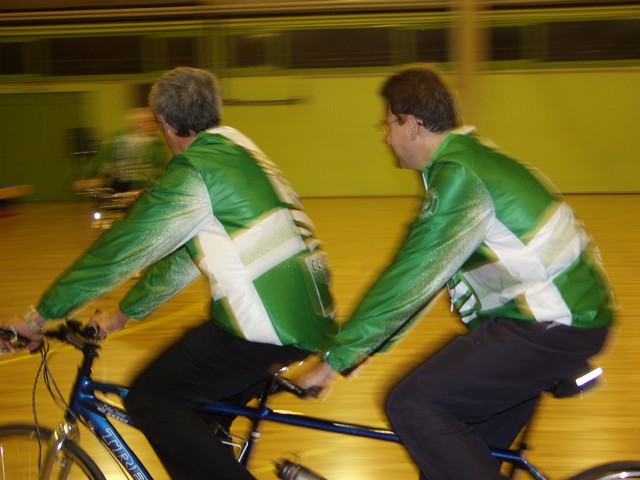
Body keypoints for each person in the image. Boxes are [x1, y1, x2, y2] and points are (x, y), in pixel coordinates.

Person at [2, 66, 338, 480]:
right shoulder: (240, 148)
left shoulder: (194, 172)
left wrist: (38, 318)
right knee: (197, 423)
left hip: (261, 329)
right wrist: (123, 314)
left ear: (162, 121)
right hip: (310, 321)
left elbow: (119, 251)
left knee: (150, 400)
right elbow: (185, 258)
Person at [304, 66, 615, 480]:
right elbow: (429, 279)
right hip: (556, 320)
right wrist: (362, 349)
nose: (385, 137)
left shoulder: (460, 174)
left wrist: (337, 357)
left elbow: (412, 276)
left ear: (412, 124)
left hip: (548, 324)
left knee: (413, 405)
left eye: (387, 125)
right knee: (447, 463)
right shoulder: (471, 160)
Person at [74, 107, 170, 193]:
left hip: (141, 190)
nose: (151, 125)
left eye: (153, 121)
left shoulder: (157, 145)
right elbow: (100, 161)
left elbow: (158, 171)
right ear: (134, 124)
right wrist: (87, 179)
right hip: (116, 186)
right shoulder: (115, 139)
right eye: (146, 121)